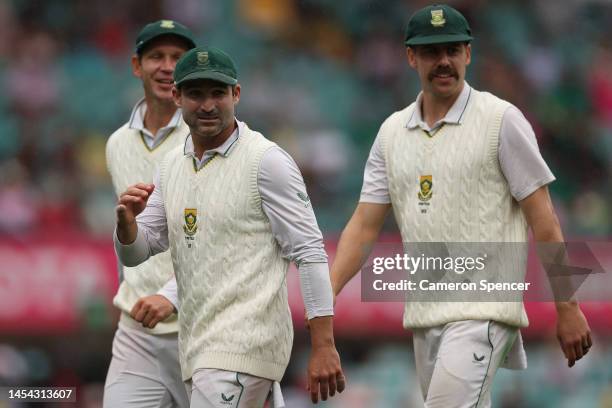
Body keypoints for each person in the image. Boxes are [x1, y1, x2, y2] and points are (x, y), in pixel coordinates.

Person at [329, 4, 592, 407]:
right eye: (432, 52)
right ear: (411, 57)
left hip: (484, 308)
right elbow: (364, 226)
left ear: (468, 53)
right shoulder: (391, 133)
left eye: (453, 49)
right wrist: (324, 295)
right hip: (425, 315)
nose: (444, 61)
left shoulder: (500, 120)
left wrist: (567, 306)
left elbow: (544, 219)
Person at [114, 46, 345, 407]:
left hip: (246, 345)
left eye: (218, 93)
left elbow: (310, 252)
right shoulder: (171, 165)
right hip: (197, 349)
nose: (208, 105)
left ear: (236, 94)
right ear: (176, 96)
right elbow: (139, 251)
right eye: (195, 94)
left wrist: (324, 345)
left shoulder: (266, 161)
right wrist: (126, 225)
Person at [103, 20, 196, 408]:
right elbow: (134, 235)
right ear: (136, 66)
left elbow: (220, 239)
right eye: (156, 56)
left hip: (200, 328)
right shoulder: (117, 143)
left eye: (178, 57)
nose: (167, 66)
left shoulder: (207, 137)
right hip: (137, 330)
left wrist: (171, 295)